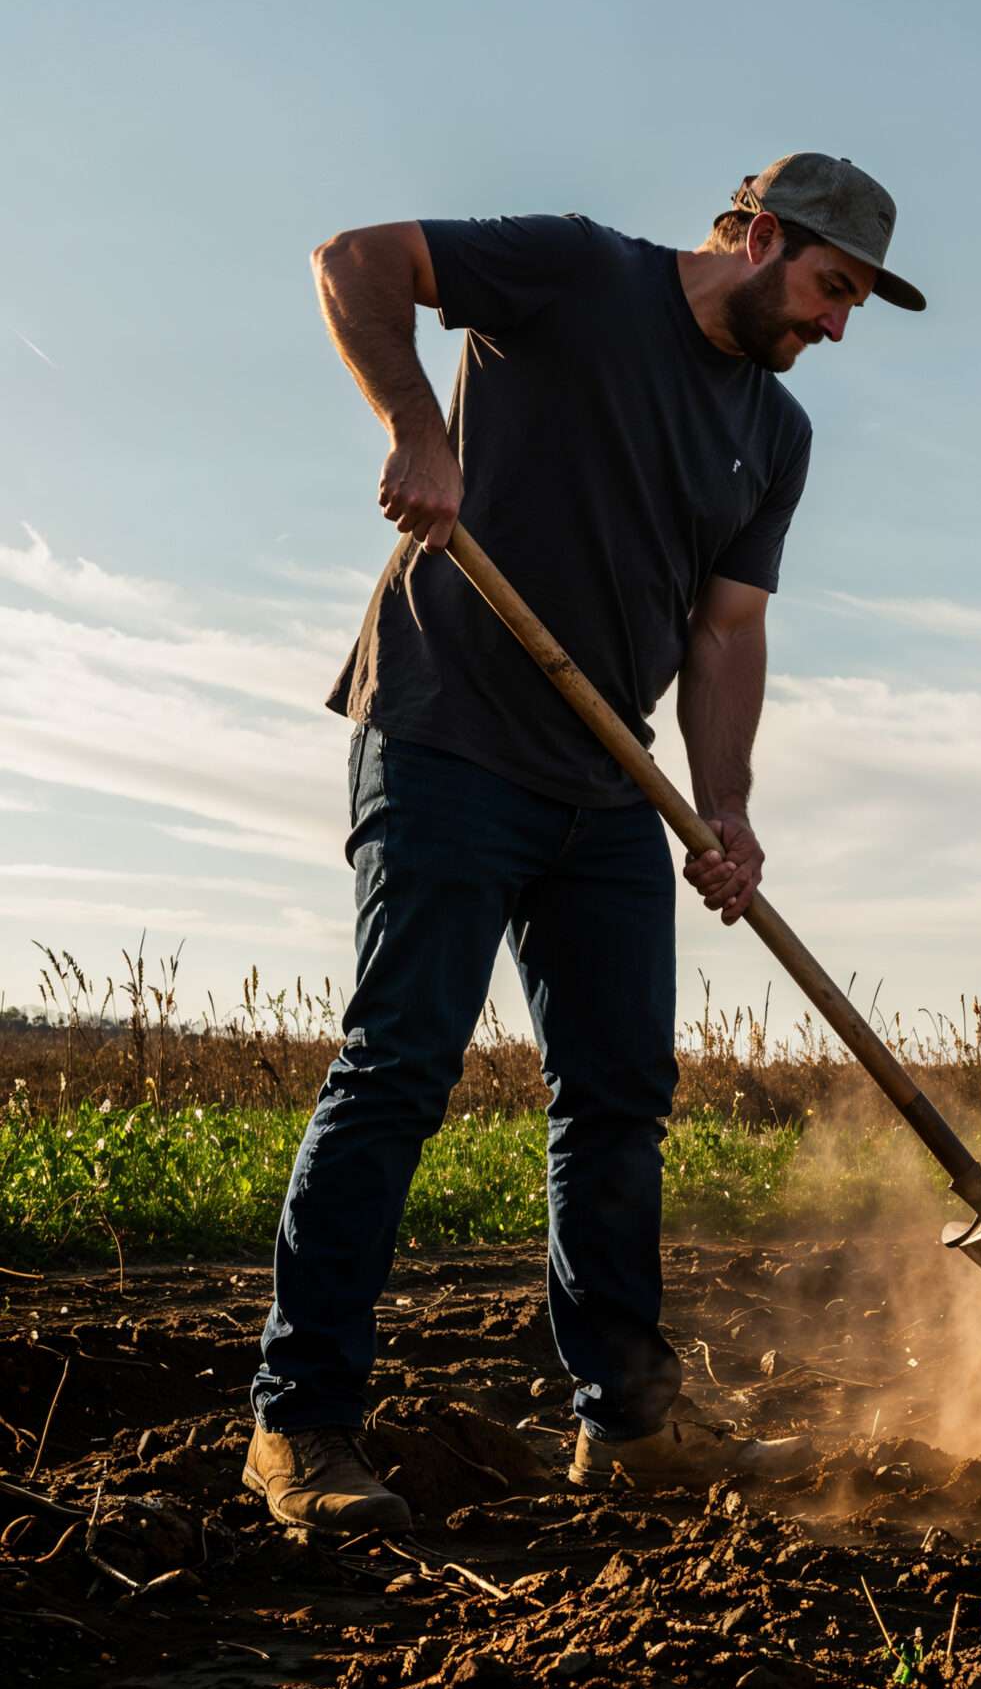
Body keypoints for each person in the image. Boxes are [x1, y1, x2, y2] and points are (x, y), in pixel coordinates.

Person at [245, 155, 926, 1531]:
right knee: (399, 1068)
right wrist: (417, 429)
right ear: (759, 236)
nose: (838, 325)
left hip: (609, 784)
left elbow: (726, 631)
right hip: (446, 731)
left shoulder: (777, 433)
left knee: (618, 1097)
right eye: (832, 287)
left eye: (854, 303)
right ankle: (298, 1427)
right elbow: (354, 258)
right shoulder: (576, 272)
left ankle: (626, 1425)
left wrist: (726, 807)